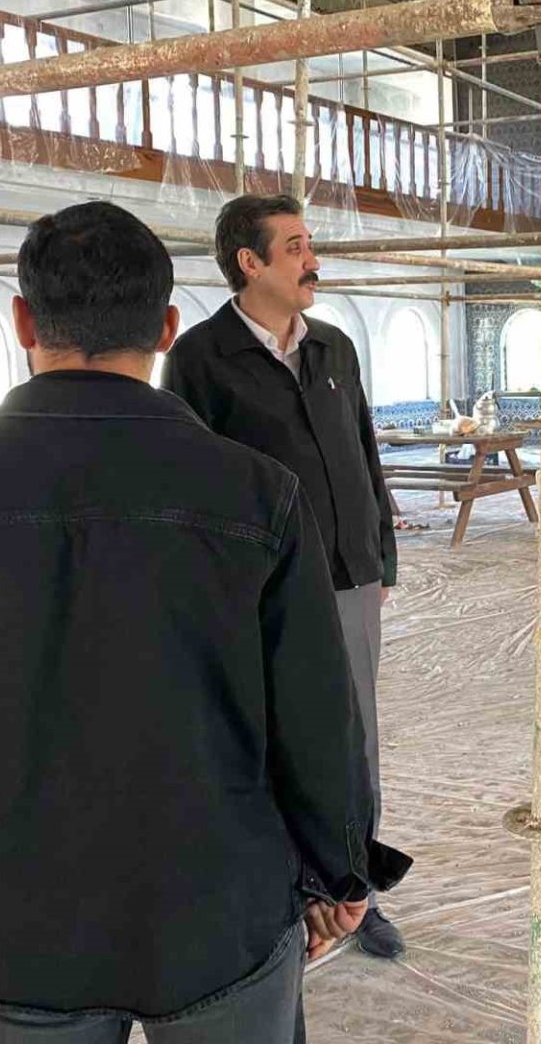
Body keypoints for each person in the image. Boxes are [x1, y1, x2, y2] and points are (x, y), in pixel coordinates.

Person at [0, 201, 409, 1044]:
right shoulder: (258, 496)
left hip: (19, 919)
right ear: (168, 327)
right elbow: (317, 717)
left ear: (23, 321)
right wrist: (340, 870)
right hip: (220, 908)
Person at [162, 193, 405, 961]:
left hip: (349, 578)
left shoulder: (333, 347)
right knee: (265, 734)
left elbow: (364, 453)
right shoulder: (200, 359)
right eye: (296, 247)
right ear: (250, 262)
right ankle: (277, 895)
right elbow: (185, 483)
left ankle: (352, 888)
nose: (313, 261)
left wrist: (380, 552)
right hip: (258, 589)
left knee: (352, 738)